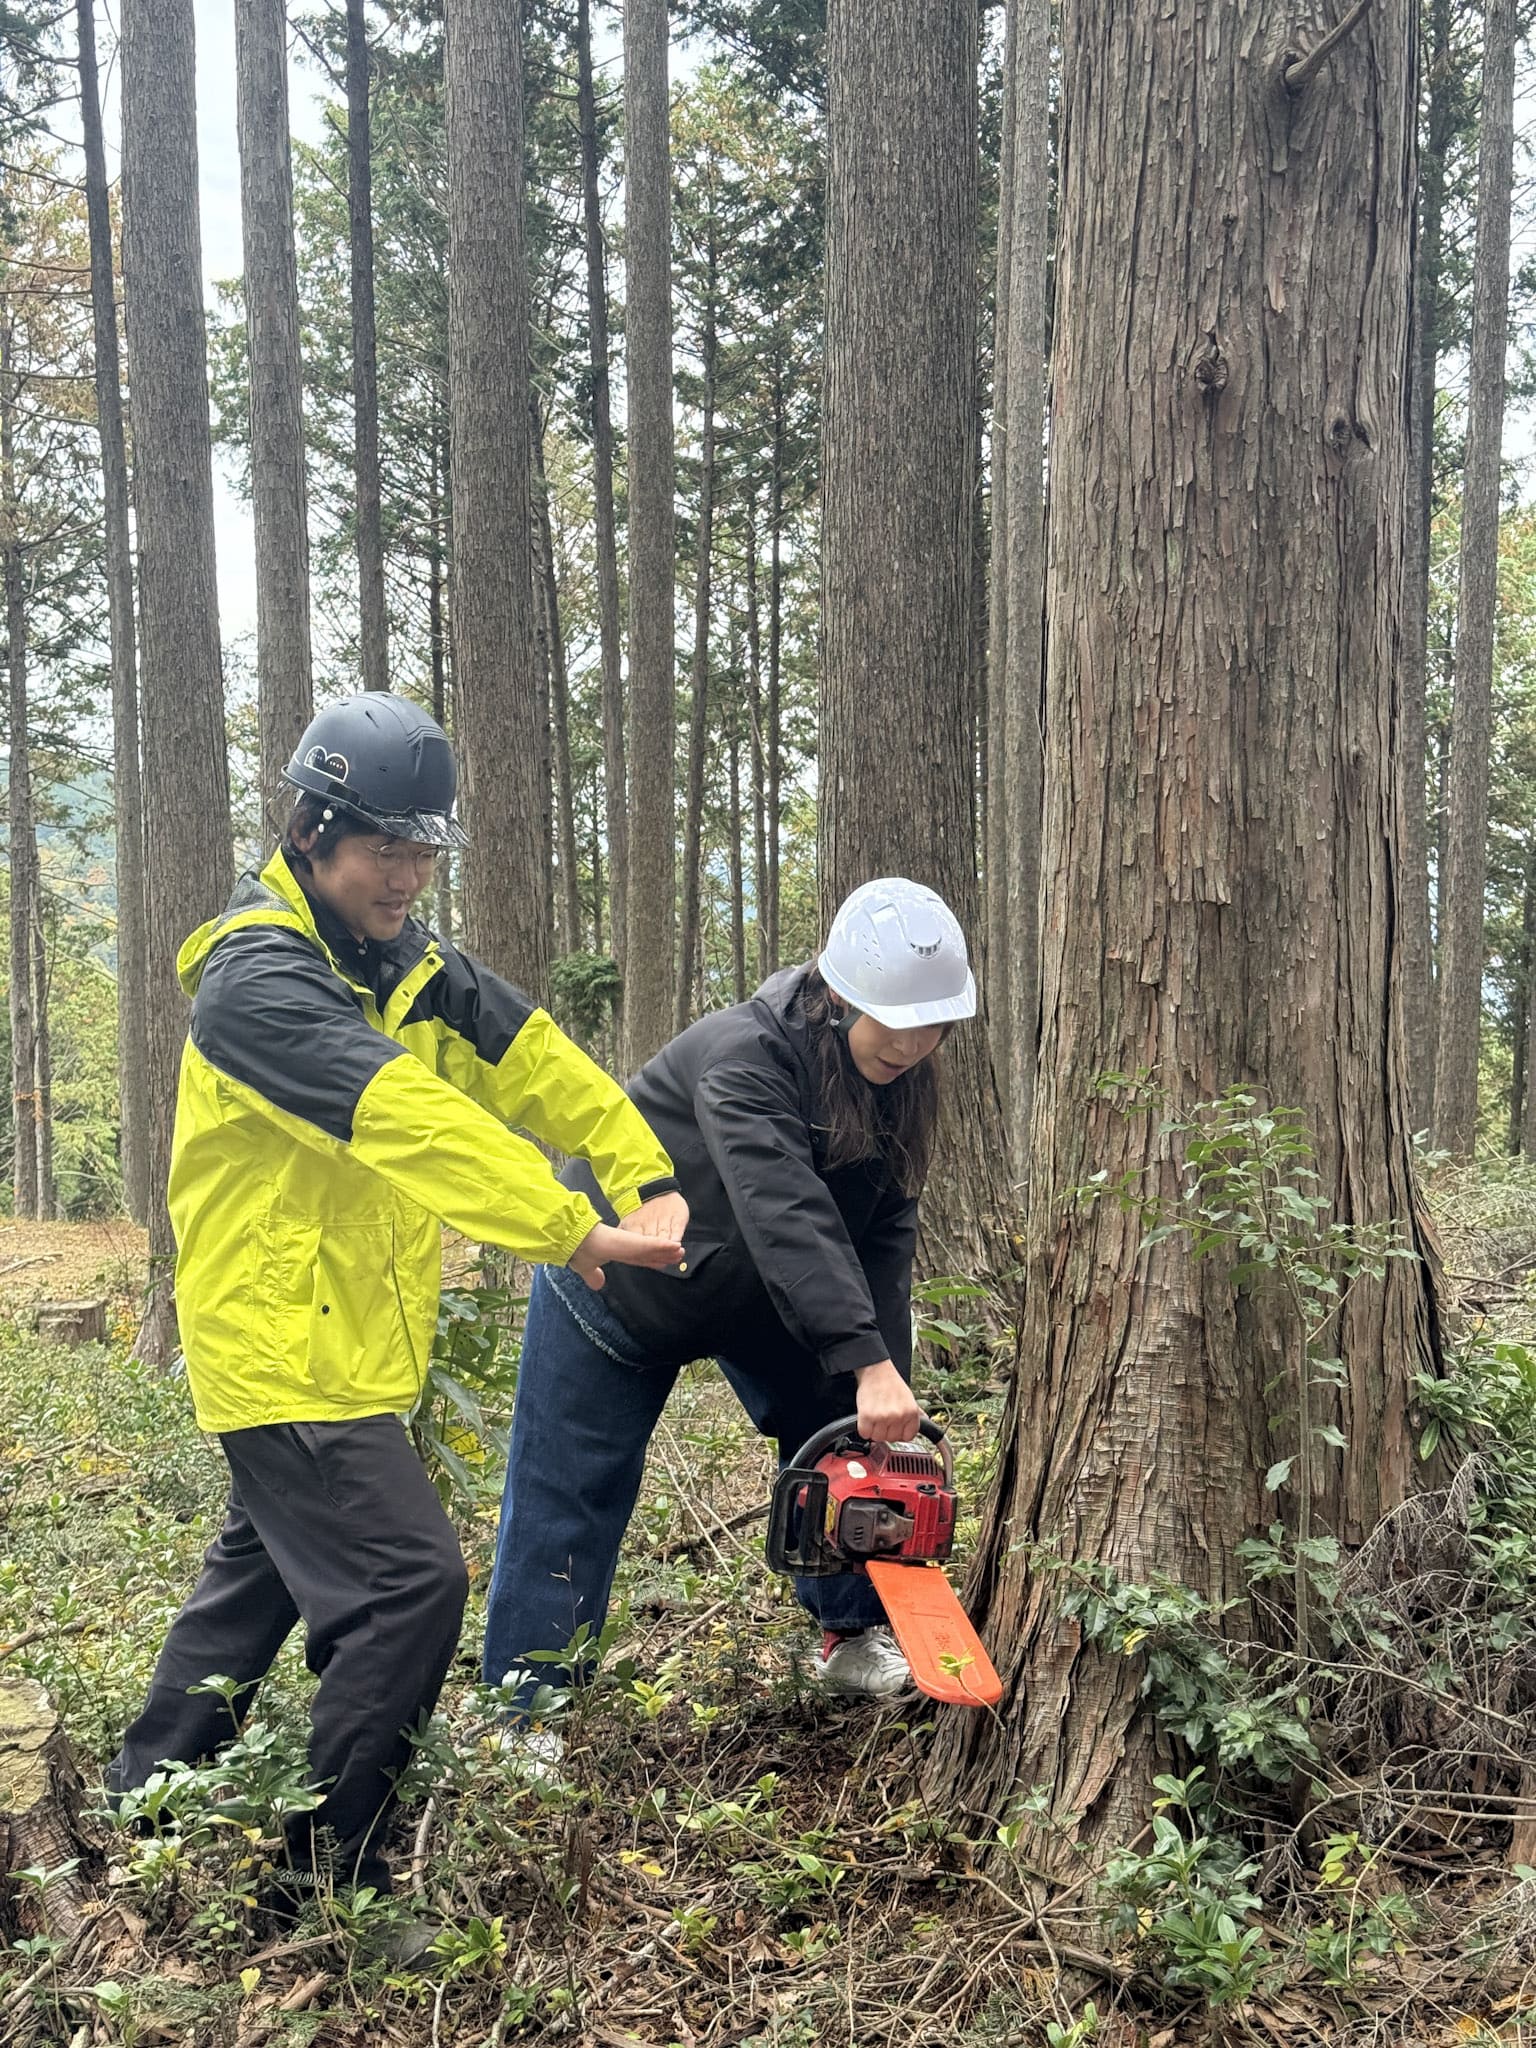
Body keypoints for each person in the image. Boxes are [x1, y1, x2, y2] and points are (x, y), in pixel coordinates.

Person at [107, 693, 685, 1904]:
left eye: (424, 849)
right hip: (278, 1346)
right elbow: (402, 1116)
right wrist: (563, 1222)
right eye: (386, 847)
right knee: (410, 1585)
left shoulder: (405, 962)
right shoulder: (256, 980)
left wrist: (643, 1170)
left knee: (258, 1574)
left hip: (347, 1340)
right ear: (310, 830)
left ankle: (142, 1804)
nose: (409, 875)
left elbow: (534, 1055)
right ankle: (327, 1883)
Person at [482, 877, 976, 1727]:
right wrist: (862, 1357)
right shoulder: (742, 1056)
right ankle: (529, 1703)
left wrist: (879, 1375)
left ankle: (850, 1632)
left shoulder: (903, 1087)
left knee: (848, 1440)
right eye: (893, 1021)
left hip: (764, 1296)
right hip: (619, 1284)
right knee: (571, 1486)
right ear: (839, 995)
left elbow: (884, 1241)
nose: (910, 1043)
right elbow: (784, 1211)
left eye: (930, 1025)